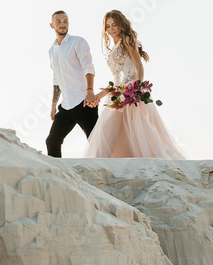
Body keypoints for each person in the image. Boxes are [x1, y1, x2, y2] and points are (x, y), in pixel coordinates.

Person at [84, 10, 187, 159]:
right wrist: (98, 96)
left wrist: (137, 89)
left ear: (121, 25)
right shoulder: (114, 47)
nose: (111, 29)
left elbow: (139, 65)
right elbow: (116, 78)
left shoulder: (127, 41)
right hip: (117, 94)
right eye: (108, 26)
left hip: (130, 94)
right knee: (111, 131)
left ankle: (101, 161)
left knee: (133, 131)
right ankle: (102, 163)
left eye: (114, 25)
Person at [46, 10, 98, 158]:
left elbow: (88, 66)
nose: (62, 24)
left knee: (96, 142)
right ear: (52, 25)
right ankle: (57, 174)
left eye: (65, 21)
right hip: (66, 106)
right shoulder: (51, 51)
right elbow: (56, 78)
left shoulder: (78, 42)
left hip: (84, 102)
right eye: (59, 22)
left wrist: (90, 90)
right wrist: (53, 105)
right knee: (52, 141)